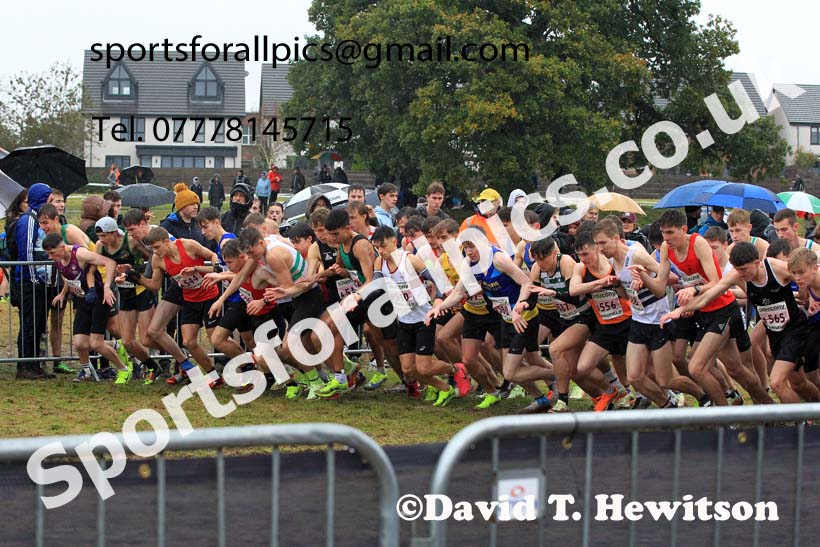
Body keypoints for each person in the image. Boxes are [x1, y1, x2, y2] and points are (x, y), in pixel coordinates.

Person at [664, 243, 818, 404]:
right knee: (798, 383)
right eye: (737, 269)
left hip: (795, 329)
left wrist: (809, 295)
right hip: (774, 332)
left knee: (777, 383)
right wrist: (681, 310)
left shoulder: (775, 268)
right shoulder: (736, 275)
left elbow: (807, 275)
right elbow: (709, 296)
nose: (741, 274)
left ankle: (797, 419)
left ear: (757, 263)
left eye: (744, 269)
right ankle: (815, 407)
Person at [645, 209, 771, 406]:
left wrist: (694, 289)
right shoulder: (665, 248)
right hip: (701, 311)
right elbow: (660, 287)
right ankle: (763, 405)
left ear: (684, 229)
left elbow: (716, 282)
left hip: (722, 309)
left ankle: (725, 414)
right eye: (663, 233)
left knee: (698, 367)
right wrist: (642, 278)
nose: (666, 238)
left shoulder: (698, 243)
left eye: (670, 232)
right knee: (733, 368)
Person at [43, 233, 132, 383]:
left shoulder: (80, 254)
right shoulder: (59, 259)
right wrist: (63, 294)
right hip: (82, 299)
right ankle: (89, 369)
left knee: (96, 344)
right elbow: (70, 277)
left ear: (62, 247)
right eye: (48, 254)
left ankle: (124, 369)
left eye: (52, 253)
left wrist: (107, 287)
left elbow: (110, 262)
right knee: (80, 343)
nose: (50, 257)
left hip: (98, 297)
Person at [142, 227, 222, 387]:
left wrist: (216, 267)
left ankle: (248, 366)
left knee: (218, 340)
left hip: (209, 295)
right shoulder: (157, 260)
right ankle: (214, 376)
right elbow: (155, 286)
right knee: (189, 342)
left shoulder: (188, 245)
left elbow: (212, 255)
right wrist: (135, 277)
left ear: (166, 241)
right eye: (152, 249)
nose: (155, 252)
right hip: (190, 299)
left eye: (157, 247)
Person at [95, 215, 161, 382]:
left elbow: (153, 258)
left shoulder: (130, 242)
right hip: (125, 293)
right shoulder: (99, 246)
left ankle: (179, 355)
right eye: (99, 236)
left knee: (147, 338)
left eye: (104, 236)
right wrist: (108, 284)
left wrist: (132, 269)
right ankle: (153, 367)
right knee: (127, 341)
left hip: (142, 290)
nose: (101, 240)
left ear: (114, 233)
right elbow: (96, 266)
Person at [13, 183, 52, 379]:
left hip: (37, 281)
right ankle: (25, 366)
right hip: (29, 282)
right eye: (49, 198)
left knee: (37, 324)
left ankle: (34, 364)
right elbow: (27, 252)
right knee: (29, 324)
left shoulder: (36, 218)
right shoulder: (28, 220)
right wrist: (34, 278)